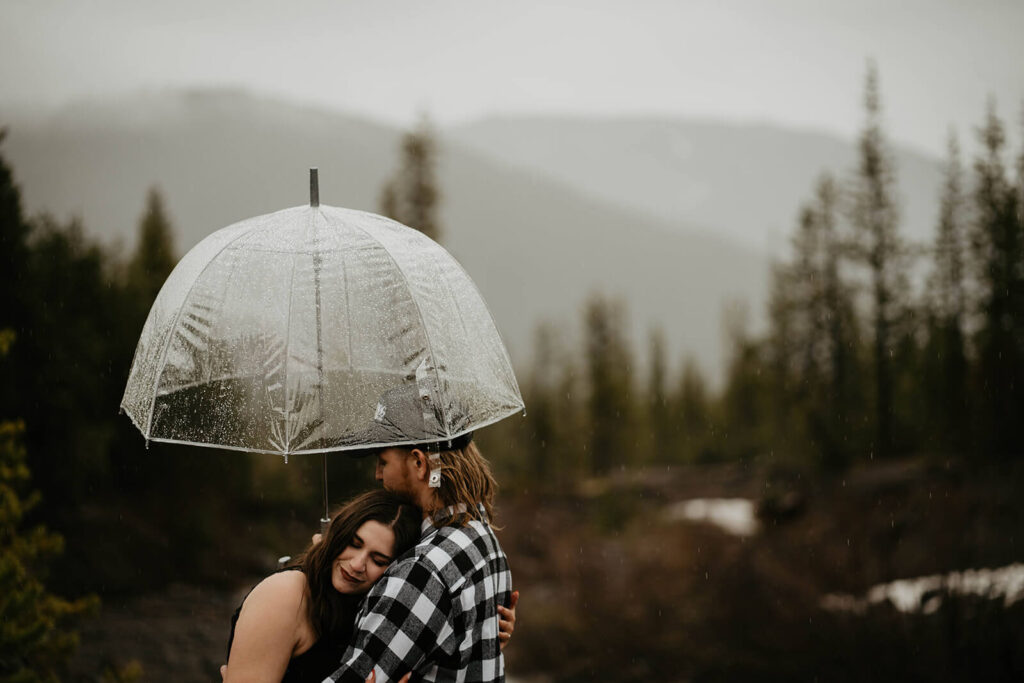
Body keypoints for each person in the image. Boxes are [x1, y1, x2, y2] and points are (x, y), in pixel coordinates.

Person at [222, 489, 518, 683]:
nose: (357, 564)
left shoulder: (377, 608)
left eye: (378, 559)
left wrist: (484, 632)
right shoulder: (287, 594)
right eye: (354, 544)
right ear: (338, 534)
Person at [324, 434, 513, 683]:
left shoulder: (422, 571)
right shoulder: (485, 539)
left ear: (419, 464)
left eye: (383, 462)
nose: (378, 475)